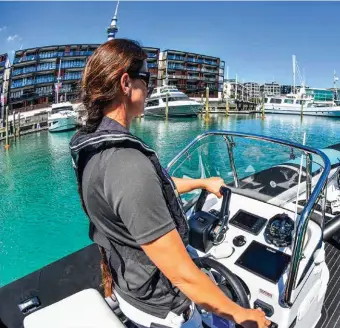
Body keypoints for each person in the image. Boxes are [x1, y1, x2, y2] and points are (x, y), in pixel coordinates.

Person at [69, 39, 270, 328]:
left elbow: (151, 189)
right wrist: (242, 314)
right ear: (126, 83)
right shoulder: (127, 165)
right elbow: (182, 274)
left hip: (129, 288)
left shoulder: (91, 147)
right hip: (163, 308)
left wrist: (202, 182)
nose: (149, 87)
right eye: (147, 78)